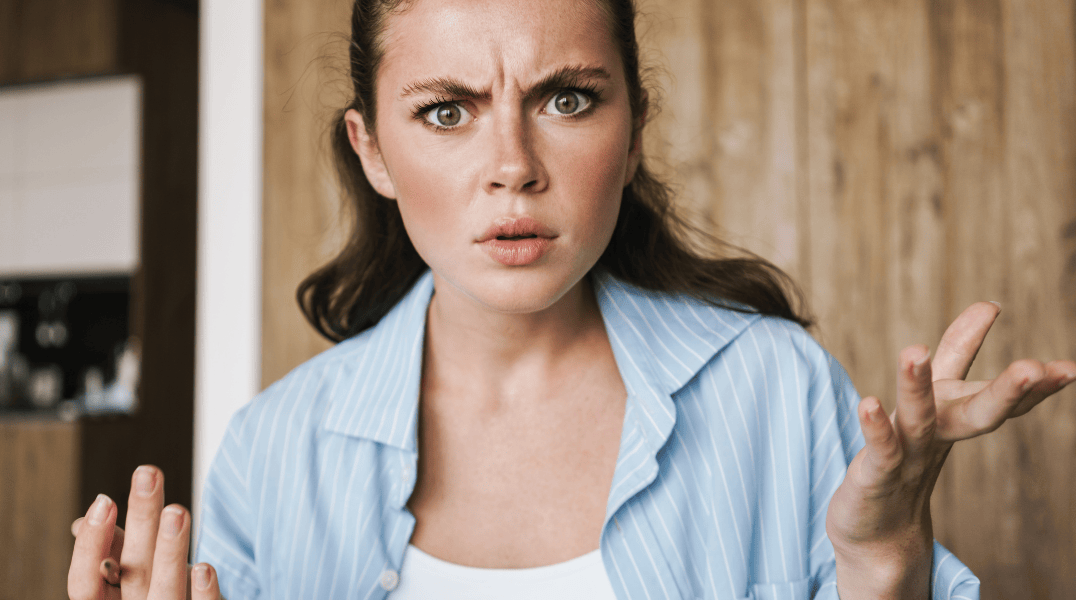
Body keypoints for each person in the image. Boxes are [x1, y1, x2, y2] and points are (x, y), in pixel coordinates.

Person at [68, 0, 1076, 598]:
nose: (512, 165)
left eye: (566, 99)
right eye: (447, 111)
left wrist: (887, 563)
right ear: (372, 150)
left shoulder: (775, 387)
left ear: (632, 131)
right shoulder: (270, 451)